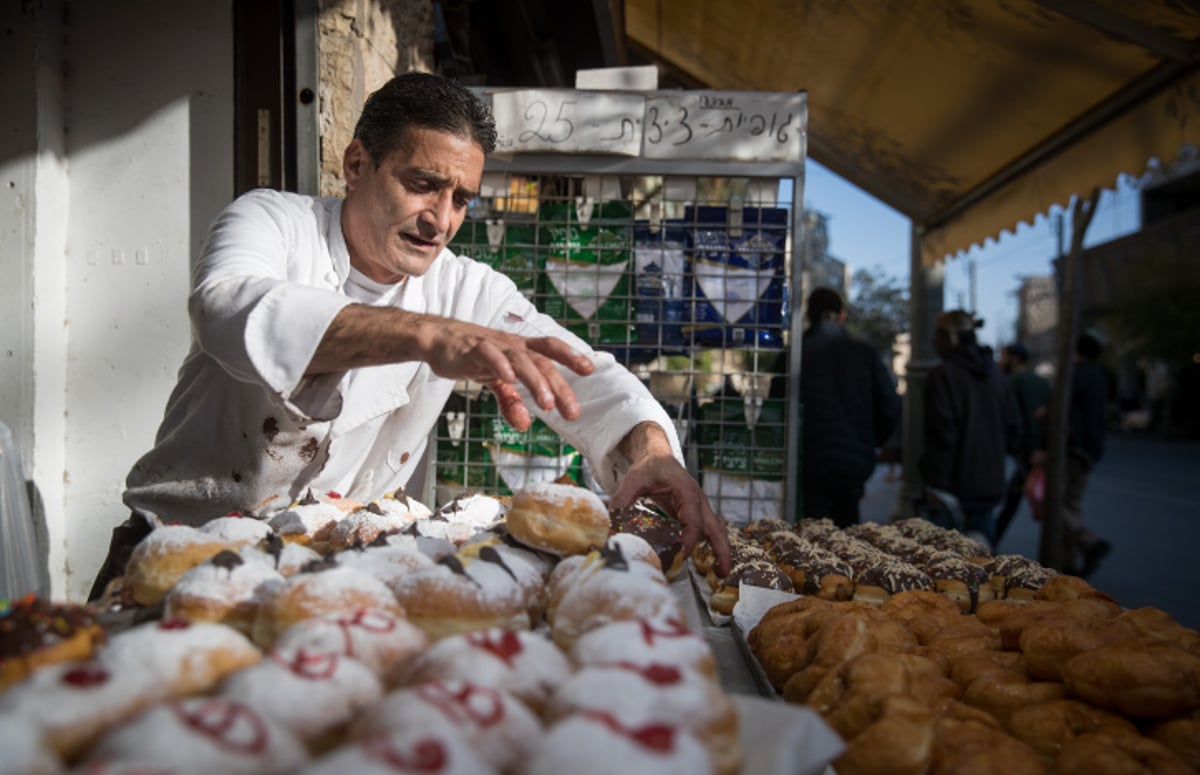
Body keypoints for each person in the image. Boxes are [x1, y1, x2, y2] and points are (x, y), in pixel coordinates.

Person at [88, 72, 731, 599]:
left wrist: (649, 454)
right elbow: (228, 310)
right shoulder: (273, 221)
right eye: (422, 184)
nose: (440, 220)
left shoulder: (467, 289)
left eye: (462, 199)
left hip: (331, 581)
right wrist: (424, 334)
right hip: (172, 558)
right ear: (357, 162)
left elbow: (580, 374)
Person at [798, 287, 901, 527]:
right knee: (849, 528)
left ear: (808, 316)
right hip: (854, 461)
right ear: (841, 316)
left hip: (809, 459)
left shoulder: (795, 354)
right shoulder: (863, 353)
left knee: (809, 533)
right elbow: (890, 405)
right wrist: (870, 442)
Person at [919, 310, 1022, 544]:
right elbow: (1015, 430)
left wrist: (935, 482)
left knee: (942, 565)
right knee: (980, 565)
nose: (933, 341)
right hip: (989, 484)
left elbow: (941, 434)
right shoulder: (996, 374)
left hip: (951, 487)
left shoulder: (943, 375)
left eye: (937, 335)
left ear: (950, 337)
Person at [1051, 329, 1112, 577]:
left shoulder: (1074, 374)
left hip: (1072, 448)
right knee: (1072, 503)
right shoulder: (1100, 375)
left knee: (1055, 504)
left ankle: (1088, 541)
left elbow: (1060, 411)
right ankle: (1067, 562)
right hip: (1091, 449)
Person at [993, 342, 1051, 543]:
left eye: (1003, 356)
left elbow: (1028, 416)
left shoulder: (1015, 381)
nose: (1000, 361)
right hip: (1037, 449)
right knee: (1018, 497)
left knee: (1017, 497)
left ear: (1014, 358)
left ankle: (1086, 541)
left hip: (1028, 450)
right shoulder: (1041, 382)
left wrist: (1034, 448)